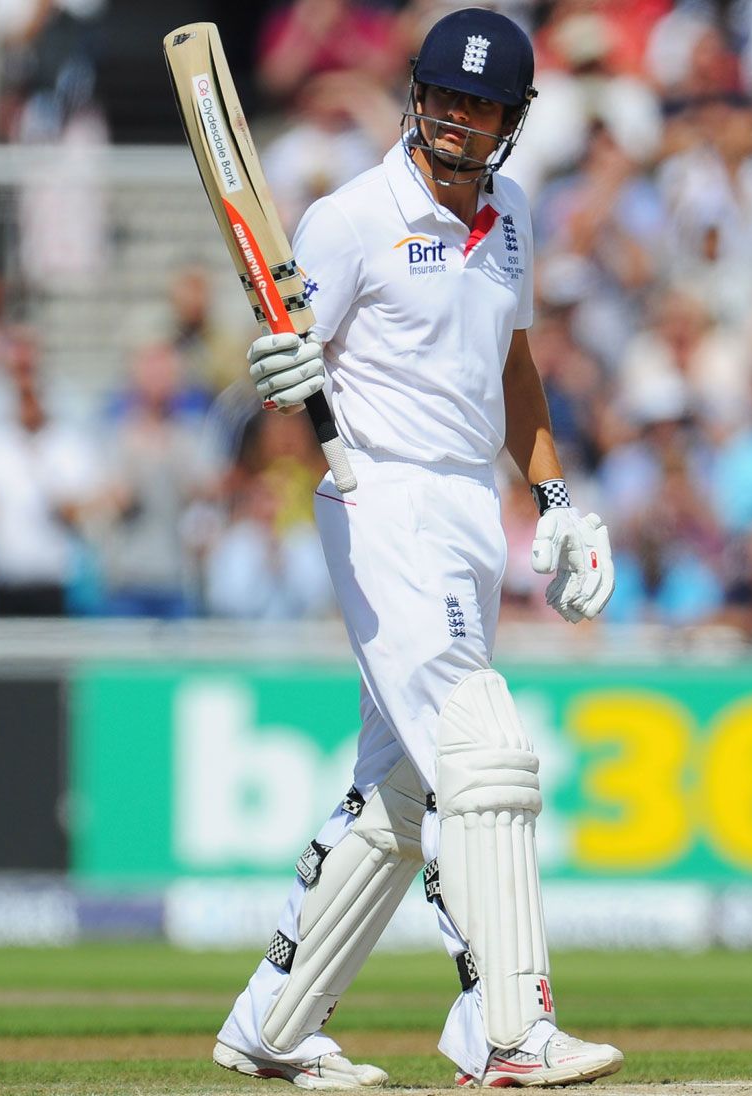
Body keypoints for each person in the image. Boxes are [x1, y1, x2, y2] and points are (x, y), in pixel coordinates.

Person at [213, 9, 620, 1090]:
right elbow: (285, 360)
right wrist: (282, 383)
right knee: (478, 748)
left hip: (470, 508)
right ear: (416, 96)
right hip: (375, 493)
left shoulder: (515, 214)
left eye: (482, 105)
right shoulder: (350, 218)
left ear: (512, 120)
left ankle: (274, 1023)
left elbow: (515, 364)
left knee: (400, 793)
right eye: (445, 96)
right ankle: (507, 1030)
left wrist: (557, 496)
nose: (458, 118)